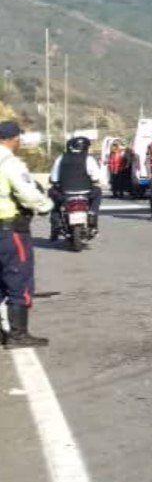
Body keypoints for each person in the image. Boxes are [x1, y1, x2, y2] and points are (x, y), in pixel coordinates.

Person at [0, 120, 54, 347]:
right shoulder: (9, 162)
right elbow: (28, 194)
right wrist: (46, 206)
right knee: (18, 279)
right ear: (13, 139)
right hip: (10, 229)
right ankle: (18, 334)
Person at [49, 136, 104, 237]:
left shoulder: (61, 158)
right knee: (98, 192)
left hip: (65, 194)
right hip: (86, 193)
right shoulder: (88, 159)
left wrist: (55, 183)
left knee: (54, 203)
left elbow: (54, 178)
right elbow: (96, 176)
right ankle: (92, 212)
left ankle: (56, 225)